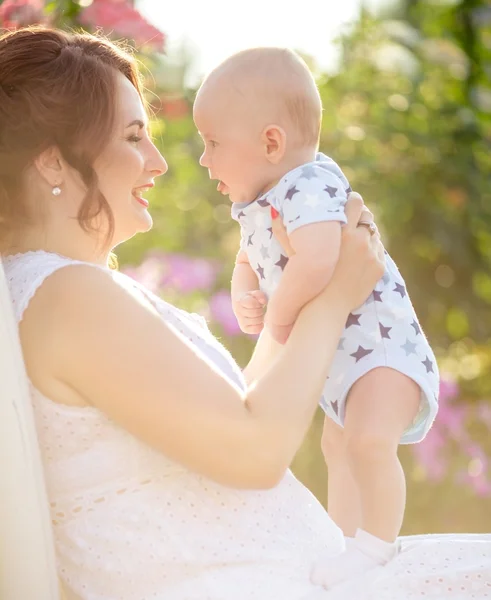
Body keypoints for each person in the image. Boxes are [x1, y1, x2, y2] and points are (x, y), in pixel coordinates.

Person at [0, 26, 490, 600]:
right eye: (134, 137)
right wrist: (333, 295)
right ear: (53, 163)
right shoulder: (66, 296)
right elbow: (255, 452)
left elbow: (241, 409)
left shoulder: (66, 291)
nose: (158, 162)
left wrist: (302, 275)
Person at [193, 47, 439, 586]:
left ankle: (376, 546)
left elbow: (324, 257)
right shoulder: (259, 205)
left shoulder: (308, 185)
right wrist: (245, 291)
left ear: (271, 142)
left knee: (367, 443)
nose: (204, 160)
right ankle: (342, 541)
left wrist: (278, 316)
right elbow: (248, 259)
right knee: (337, 447)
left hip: (380, 349)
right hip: (342, 360)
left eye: (212, 144)